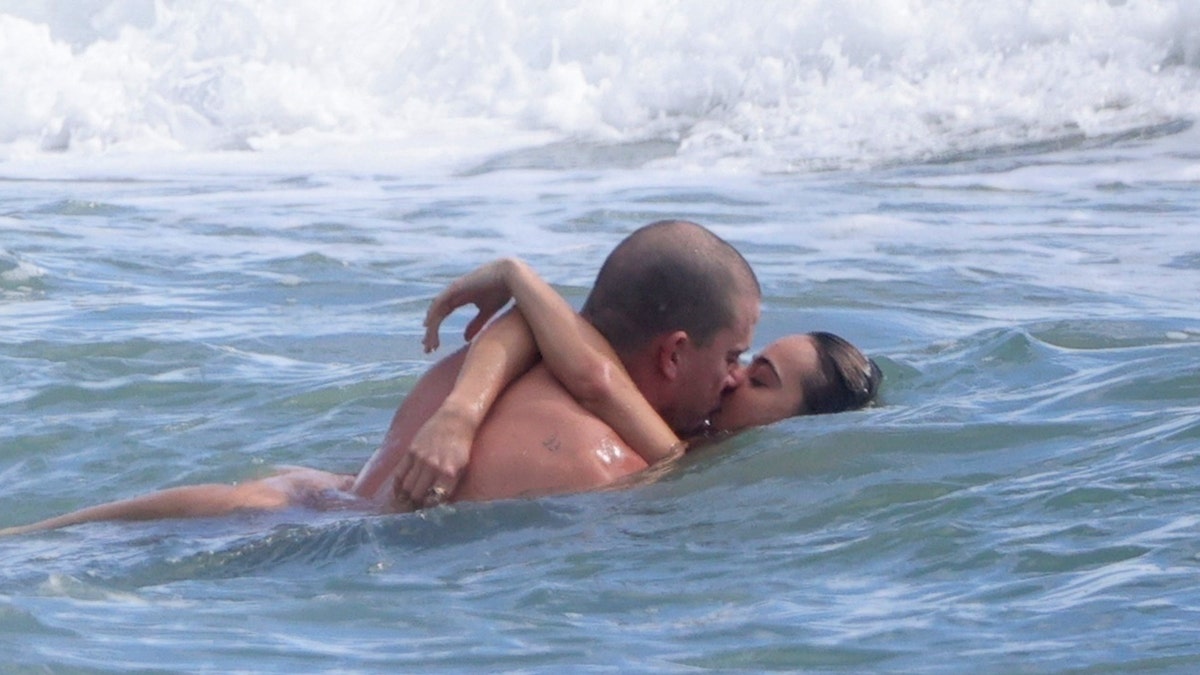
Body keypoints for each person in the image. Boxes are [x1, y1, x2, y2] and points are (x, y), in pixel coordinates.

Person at [0, 221, 880, 536]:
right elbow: (595, 373)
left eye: (754, 375)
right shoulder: (638, 465)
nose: (732, 380)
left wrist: (514, 284)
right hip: (321, 550)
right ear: (672, 352)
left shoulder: (518, 349)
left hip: (306, 498)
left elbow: (571, 351)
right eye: (737, 359)